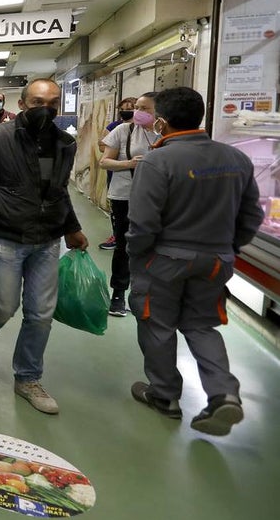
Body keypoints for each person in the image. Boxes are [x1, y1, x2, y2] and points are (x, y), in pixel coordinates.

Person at [126, 87, 263, 436]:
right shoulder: (236, 159)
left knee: (157, 324)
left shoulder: (157, 161)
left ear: (161, 122)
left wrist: (137, 256)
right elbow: (250, 216)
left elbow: (143, 222)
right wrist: (226, 248)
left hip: (165, 259)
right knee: (202, 326)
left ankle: (165, 395)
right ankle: (224, 393)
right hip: (216, 260)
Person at [0, 78, 89, 415]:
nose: (46, 109)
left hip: (47, 239)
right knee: (4, 305)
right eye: (38, 101)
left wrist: (72, 227)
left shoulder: (64, 144)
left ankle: (27, 378)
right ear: (23, 104)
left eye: (53, 103)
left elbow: (57, 192)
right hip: (5, 237)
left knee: (41, 313)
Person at [98, 92, 158, 316]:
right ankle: (118, 293)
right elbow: (104, 161)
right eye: (137, 108)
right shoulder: (125, 130)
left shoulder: (167, 134)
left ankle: (145, 293)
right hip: (125, 196)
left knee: (154, 246)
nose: (138, 113)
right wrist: (129, 163)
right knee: (125, 245)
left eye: (145, 108)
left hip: (157, 199)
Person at [98, 97, 138, 250]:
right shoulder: (117, 128)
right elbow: (102, 147)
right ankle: (117, 236)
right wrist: (123, 157)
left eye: (131, 108)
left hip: (141, 184)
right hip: (118, 176)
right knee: (120, 214)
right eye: (124, 108)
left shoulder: (152, 131)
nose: (127, 111)